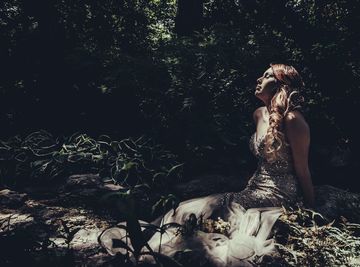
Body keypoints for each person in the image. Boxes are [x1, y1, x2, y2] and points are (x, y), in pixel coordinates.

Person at [100, 64, 315, 266]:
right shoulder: (259, 114)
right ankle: (145, 243)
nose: (259, 78)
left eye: (267, 75)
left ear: (281, 85)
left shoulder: (293, 120)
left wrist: (313, 209)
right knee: (187, 210)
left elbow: (302, 169)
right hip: (253, 188)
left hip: (279, 193)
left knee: (203, 212)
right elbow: (263, 160)